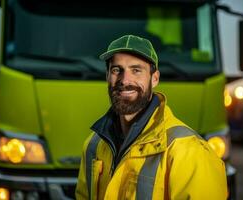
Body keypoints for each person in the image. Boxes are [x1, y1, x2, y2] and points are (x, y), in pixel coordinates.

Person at [75, 35, 227, 200]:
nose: (125, 80)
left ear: (154, 79)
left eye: (136, 70)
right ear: (107, 76)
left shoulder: (189, 151)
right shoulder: (93, 145)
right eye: (116, 70)